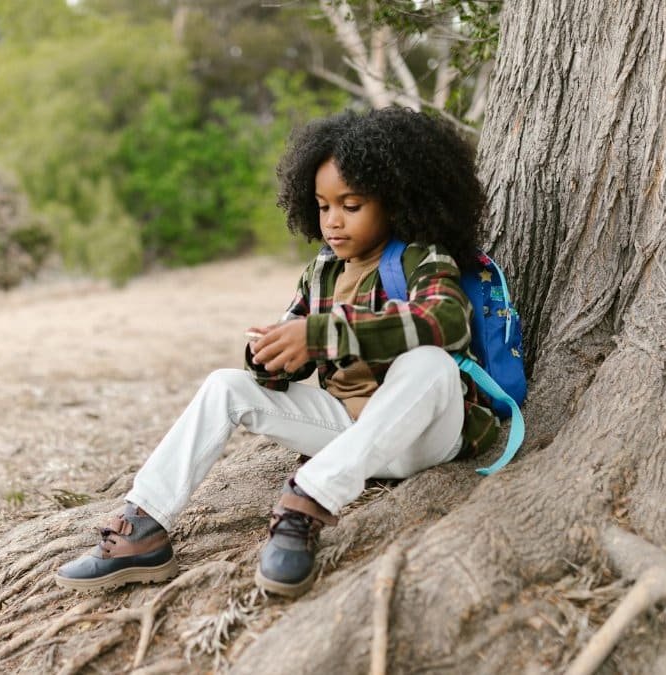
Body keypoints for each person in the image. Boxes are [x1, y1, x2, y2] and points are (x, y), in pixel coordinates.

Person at [55, 107, 499, 598]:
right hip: (348, 433)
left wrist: (323, 333)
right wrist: (268, 355)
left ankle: (304, 504)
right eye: (323, 205)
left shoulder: (421, 256)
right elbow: (286, 367)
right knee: (225, 385)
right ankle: (144, 525)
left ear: (395, 202)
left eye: (351, 206)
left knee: (430, 362)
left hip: (423, 437)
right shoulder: (321, 273)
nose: (333, 221)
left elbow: (445, 321)